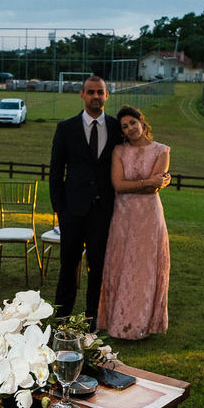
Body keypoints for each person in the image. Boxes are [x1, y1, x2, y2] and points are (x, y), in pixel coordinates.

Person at [50, 76, 122, 325]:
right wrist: (60, 209)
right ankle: (62, 317)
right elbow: (56, 171)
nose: (96, 97)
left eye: (100, 92)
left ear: (107, 95)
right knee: (68, 267)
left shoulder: (116, 128)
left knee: (98, 267)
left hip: (103, 211)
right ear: (81, 95)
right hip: (72, 211)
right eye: (91, 92)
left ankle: (94, 316)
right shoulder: (66, 128)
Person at [97, 106, 171, 340]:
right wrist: (147, 181)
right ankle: (118, 321)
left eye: (132, 123)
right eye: (124, 127)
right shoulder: (118, 151)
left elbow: (155, 187)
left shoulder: (162, 150)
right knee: (122, 264)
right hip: (123, 215)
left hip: (149, 216)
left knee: (145, 268)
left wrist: (146, 183)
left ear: (142, 122)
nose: (130, 129)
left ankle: (141, 324)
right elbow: (118, 185)